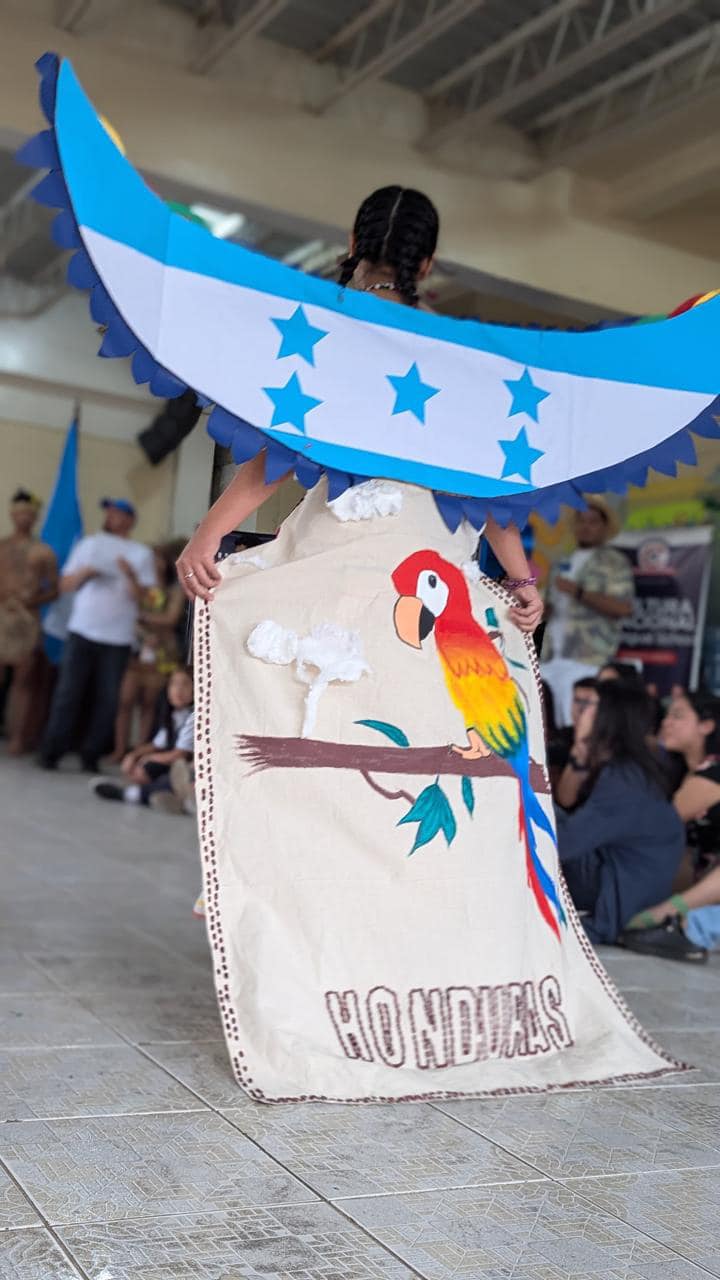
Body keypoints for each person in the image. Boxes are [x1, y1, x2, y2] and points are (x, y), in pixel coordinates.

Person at [174, 185, 684, 1101]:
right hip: (434, 578)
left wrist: (208, 537)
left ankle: (324, 984)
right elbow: (495, 488)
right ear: (431, 261)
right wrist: (521, 581)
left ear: (351, 238)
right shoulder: (459, 355)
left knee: (321, 783)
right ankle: (437, 975)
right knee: (459, 807)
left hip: (344, 574)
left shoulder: (331, 330)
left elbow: (272, 455)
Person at [554, 681, 684, 944]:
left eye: (589, 705)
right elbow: (565, 800)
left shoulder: (624, 781)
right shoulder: (631, 769)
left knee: (525, 811)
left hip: (617, 896)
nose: (580, 712)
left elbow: (564, 844)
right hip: (616, 877)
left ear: (607, 717)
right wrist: (580, 756)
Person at [39, 498, 156, 772]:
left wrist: (130, 576)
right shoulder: (88, 545)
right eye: (109, 513)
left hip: (118, 638)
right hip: (82, 631)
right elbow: (64, 585)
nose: (111, 517)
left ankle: (91, 755)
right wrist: (86, 573)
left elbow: (148, 599)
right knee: (68, 693)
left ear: (130, 520)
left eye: (117, 513)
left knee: (108, 698)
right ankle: (52, 751)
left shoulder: (141, 554)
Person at [541, 500, 635, 725]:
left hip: (588, 657)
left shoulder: (614, 562)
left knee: (577, 724)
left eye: (593, 522)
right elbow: (550, 606)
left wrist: (579, 592)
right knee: (546, 724)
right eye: (581, 521)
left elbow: (623, 608)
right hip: (550, 654)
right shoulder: (562, 561)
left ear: (604, 527)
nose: (586, 526)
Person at [111, 540, 186, 760]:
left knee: (149, 704)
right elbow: (136, 597)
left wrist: (143, 618)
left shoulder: (175, 590)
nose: (152, 564)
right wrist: (131, 576)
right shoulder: (148, 588)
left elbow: (170, 618)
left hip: (162, 654)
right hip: (139, 652)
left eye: (157, 560)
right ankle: (119, 749)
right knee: (125, 701)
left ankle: (139, 749)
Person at [0, 490, 58, 754]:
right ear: (12, 514)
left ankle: (17, 737)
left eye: (29, 514)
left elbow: (55, 589)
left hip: (27, 620)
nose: (24, 518)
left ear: (35, 517)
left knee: (23, 681)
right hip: (2, 616)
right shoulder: (2, 546)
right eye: (20, 513)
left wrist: (32, 600)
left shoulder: (43, 552)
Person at [91, 666, 194, 805]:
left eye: (186, 684)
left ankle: (133, 794)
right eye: (174, 684)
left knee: (169, 773)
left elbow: (179, 754)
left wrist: (148, 758)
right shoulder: (174, 715)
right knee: (145, 769)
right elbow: (157, 744)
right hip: (176, 765)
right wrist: (133, 756)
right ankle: (168, 795)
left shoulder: (194, 716)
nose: (178, 690)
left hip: (187, 767)